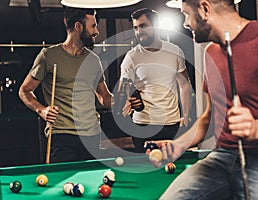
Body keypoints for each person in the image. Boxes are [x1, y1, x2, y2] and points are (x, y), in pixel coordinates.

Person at [149, 0, 258, 199]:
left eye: (186, 14)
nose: (185, 23)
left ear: (204, 9)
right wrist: (178, 145)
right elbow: (208, 118)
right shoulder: (211, 53)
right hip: (223, 156)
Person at [18, 7, 113, 163]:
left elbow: (104, 97)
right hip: (62, 136)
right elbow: (24, 90)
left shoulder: (93, 60)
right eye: (93, 26)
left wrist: (122, 102)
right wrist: (42, 110)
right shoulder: (48, 56)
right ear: (78, 27)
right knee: (63, 185)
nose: (97, 32)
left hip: (92, 136)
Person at [119, 8, 192, 153]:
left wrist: (186, 115)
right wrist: (126, 100)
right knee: (146, 169)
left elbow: (184, 85)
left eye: (143, 26)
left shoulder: (175, 51)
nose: (139, 31)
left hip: (171, 123)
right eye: (135, 27)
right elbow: (123, 88)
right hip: (143, 124)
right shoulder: (132, 57)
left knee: (172, 167)